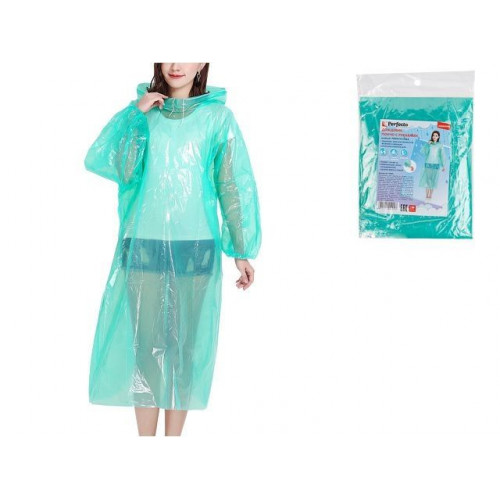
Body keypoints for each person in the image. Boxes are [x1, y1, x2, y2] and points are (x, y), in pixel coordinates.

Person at [84, 63, 262, 436]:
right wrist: (135, 115)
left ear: (201, 64)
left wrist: (241, 249)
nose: (176, 65)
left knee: (183, 352)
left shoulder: (218, 119)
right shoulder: (143, 116)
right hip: (143, 246)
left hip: (195, 250)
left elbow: (232, 184)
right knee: (145, 349)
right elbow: (116, 165)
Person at [418, 130, 446, 200]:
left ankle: (430, 196)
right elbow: (423, 152)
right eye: (433, 135)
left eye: (436, 135)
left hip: (435, 164)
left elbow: (442, 155)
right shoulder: (429, 144)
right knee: (427, 180)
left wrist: (443, 165)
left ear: (438, 137)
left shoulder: (440, 145)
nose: (434, 137)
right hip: (428, 163)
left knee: (433, 181)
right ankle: (426, 196)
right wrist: (427, 144)